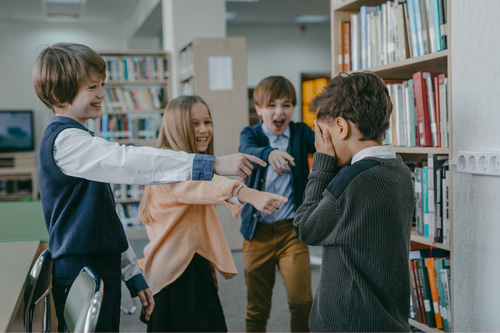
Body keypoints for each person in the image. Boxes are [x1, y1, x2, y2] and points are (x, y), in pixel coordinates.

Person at [32, 43, 266, 332]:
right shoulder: (66, 142)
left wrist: (132, 274)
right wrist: (212, 163)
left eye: (102, 85)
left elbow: (106, 220)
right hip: (83, 271)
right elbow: (130, 161)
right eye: (92, 87)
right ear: (58, 94)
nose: (102, 94)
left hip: (99, 268)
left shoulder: (80, 139)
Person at [137, 95, 287, 332]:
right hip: (177, 275)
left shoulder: (181, 164)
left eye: (207, 122)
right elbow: (203, 186)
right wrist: (249, 194)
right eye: (195, 123)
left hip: (189, 265)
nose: (204, 129)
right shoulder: (168, 168)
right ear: (177, 127)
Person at [293, 72, 414, 332]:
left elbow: (306, 228)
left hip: (349, 322)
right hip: (388, 318)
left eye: (324, 134)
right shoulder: (399, 169)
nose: (322, 143)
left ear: (341, 127)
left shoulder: (353, 180)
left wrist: (321, 165)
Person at [238, 76, 315, 332]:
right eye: (271, 105)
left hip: (291, 231)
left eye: (286, 105)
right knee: (257, 309)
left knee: (302, 302)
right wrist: (269, 153)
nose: (279, 112)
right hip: (256, 233)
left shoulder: (301, 132)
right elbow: (247, 149)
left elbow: (325, 147)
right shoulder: (252, 133)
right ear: (259, 109)